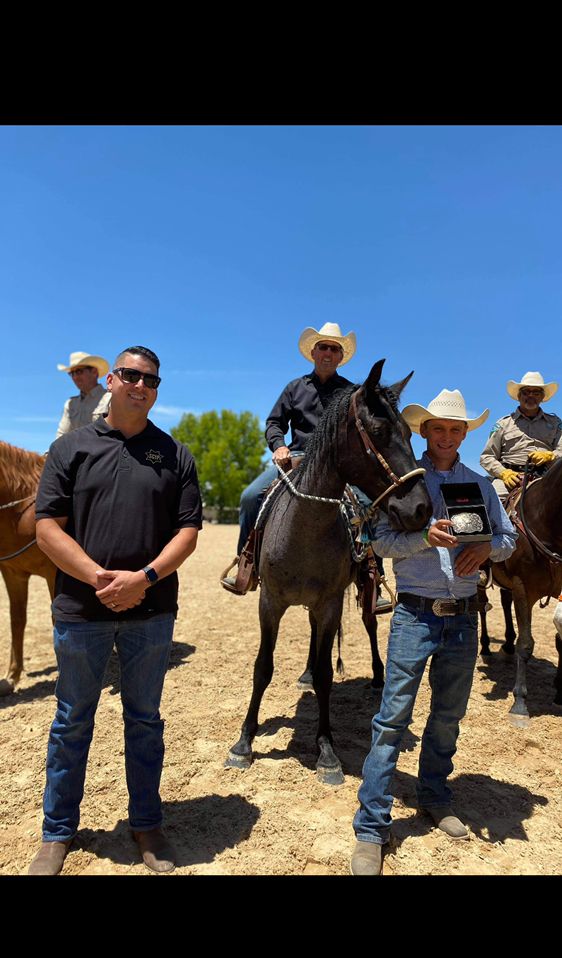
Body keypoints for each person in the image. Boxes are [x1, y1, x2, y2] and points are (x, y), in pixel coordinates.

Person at [28, 346, 202, 876]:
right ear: (111, 381)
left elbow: (188, 531)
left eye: (150, 378)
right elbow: (47, 526)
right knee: (71, 721)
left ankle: (147, 824)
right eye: (130, 375)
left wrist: (143, 578)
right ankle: (57, 833)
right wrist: (98, 578)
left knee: (144, 721)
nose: (140, 385)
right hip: (81, 609)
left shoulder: (175, 454)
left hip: (151, 613)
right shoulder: (70, 448)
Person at [350, 389, 517, 876]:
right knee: (391, 722)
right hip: (414, 615)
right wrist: (422, 537)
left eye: (455, 429)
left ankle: (434, 797)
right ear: (423, 432)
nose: (446, 436)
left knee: (447, 718)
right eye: (437, 429)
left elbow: (508, 538)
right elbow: (377, 541)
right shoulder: (405, 481)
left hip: (464, 615)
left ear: (465, 433)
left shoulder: (481, 484)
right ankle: (371, 828)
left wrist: (486, 550)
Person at [220, 322, 390, 607]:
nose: (327, 352)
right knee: (249, 497)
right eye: (323, 347)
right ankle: (245, 564)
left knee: (367, 506)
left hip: (338, 466)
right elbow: (274, 423)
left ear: (340, 357)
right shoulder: (294, 388)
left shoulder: (352, 393)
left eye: (334, 349)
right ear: (313, 352)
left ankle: (372, 577)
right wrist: (279, 446)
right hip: (295, 460)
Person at [480, 371, 562, 499]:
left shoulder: (556, 423)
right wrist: (504, 473)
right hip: (509, 480)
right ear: (519, 396)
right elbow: (487, 457)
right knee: (491, 501)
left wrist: (551, 456)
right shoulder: (503, 424)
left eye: (536, 392)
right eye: (526, 392)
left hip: (545, 478)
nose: (531, 396)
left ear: (542, 397)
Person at [56, 351, 112, 438]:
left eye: (78, 371)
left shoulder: (110, 399)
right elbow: (61, 436)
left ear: (94, 372)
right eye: (72, 373)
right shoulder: (70, 404)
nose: (75, 377)